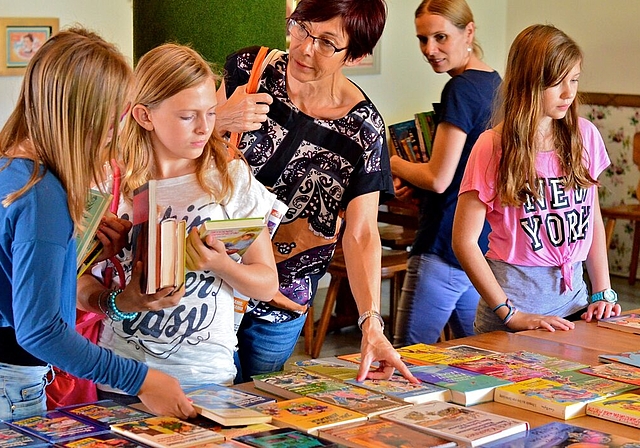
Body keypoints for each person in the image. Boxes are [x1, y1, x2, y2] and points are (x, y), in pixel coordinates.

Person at [216, 0, 416, 383]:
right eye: (302, 28)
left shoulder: (364, 130)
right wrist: (220, 119)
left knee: (257, 410)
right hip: (214, 281)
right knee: (203, 406)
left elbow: (361, 233)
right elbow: (187, 153)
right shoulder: (249, 71)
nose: (306, 48)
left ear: (355, 55)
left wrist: (370, 321)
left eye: (327, 42)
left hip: (284, 298)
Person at [0, 27, 195, 420]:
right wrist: (142, 380)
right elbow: (40, 330)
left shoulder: (9, 167)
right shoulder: (42, 193)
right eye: (111, 119)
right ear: (83, 116)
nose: (113, 133)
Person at [77, 43, 279, 403]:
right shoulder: (108, 183)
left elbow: (266, 284)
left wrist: (219, 264)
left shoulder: (229, 179)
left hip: (206, 379)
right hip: (121, 377)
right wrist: (118, 297)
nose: (204, 129)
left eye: (212, 114)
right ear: (144, 116)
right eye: (188, 116)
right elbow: (74, 286)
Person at [452, 24, 622, 334]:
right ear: (529, 83)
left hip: (576, 309)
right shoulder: (491, 146)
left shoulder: (585, 136)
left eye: (574, 80)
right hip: (512, 318)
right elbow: (464, 241)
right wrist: (509, 313)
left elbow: (591, 219)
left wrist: (602, 292)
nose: (569, 93)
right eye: (557, 83)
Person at [390, 0, 501, 345]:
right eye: (422, 39)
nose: (430, 49)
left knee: (406, 357)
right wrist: (417, 180)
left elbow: (439, 177)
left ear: (468, 32)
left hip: (443, 241)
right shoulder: (495, 84)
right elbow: (468, 172)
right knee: (477, 353)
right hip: (479, 244)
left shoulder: (460, 89)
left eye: (440, 37)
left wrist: (392, 162)